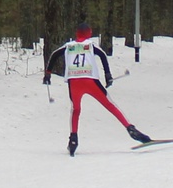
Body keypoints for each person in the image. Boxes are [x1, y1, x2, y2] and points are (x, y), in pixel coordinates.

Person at [44, 25, 156, 156]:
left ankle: (73, 139)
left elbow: (54, 55)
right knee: (110, 105)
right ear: (88, 33)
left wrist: (48, 74)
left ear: (77, 33)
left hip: (74, 81)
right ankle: (131, 129)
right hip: (90, 80)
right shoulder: (90, 45)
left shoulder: (69, 46)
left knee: (76, 110)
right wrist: (108, 75)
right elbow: (102, 55)